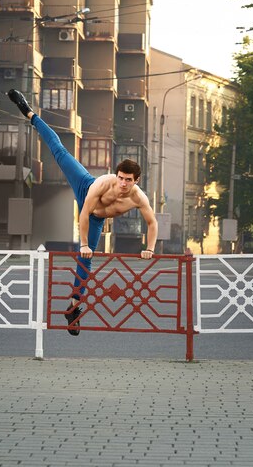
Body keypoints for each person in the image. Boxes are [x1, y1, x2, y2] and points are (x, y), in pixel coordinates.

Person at [8, 89, 158, 336]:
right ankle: (29, 112)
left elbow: (151, 223)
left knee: (86, 263)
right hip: (85, 188)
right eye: (120, 178)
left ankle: (73, 308)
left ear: (136, 180)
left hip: (99, 219)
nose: (122, 183)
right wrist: (85, 243)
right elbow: (84, 212)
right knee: (60, 152)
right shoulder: (103, 184)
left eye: (127, 180)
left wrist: (149, 248)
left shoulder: (139, 198)